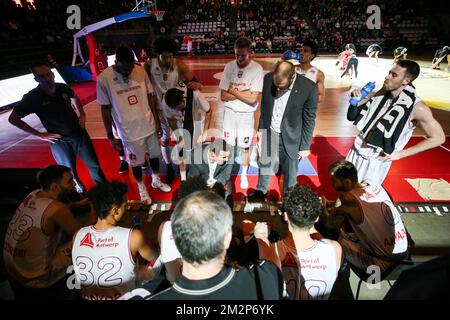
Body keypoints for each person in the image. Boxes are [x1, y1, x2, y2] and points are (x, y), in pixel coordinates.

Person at [148, 191, 284, 300]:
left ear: (177, 241)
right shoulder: (262, 281)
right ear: (227, 238)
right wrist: (261, 239)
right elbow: (273, 267)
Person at [8, 63, 107, 195]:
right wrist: (39, 134)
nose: (47, 78)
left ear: (53, 74)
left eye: (48, 74)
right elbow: (13, 118)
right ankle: (80, 198)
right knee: (68, 175)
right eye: (42, 76)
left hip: (79, 135)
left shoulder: (62, 88)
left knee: (94, 166)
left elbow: (74, 97)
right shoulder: (32, 98)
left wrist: (82, 113)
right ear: (36, 79)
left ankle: (106, 194)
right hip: (59, 142)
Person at [3, 165, 96, 299]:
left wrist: (76, 204)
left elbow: (52, 210)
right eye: (69, 181)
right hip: (35, 276)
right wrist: (94, 207)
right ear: (55, 187)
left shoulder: (33, 194)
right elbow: (82, 234)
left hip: (12, 268)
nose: (74, 183)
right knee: (85, 242)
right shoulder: (57, 209)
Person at [346, 60, 445, 184]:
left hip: (377, 159)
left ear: (406, 81)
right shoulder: (381, 94)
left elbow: (439, 138)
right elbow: (352, 117)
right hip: (357, 148)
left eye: (394, 75)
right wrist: (354, 103)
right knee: (344, 191)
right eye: (389, 73)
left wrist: (401, 154)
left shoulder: (417, 107)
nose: (387, 77)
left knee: (361, 198)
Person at [97, 46, 171, 204]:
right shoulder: (104, 78)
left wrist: (157, 122)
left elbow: (150, 97)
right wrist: (111, 136)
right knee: (136, 162)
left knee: (155, 156)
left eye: (131, 66)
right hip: (128, 131)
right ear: (116, 62)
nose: (129, 70)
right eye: (125, 67)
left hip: (148, 124)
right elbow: (105, 109)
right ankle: (141, 187)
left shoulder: (140, 70)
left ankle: (156, 180)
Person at [251, 185, 342, 300]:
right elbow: (323, 241)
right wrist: (310, 221)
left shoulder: (273, 252)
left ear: (285, 216)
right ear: (317, 218)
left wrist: (260, 237)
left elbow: (261, 242)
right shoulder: (335, 249)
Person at [72, 181, 158, 300]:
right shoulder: (133, 236)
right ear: (115, 211)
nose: (127, 208)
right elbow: (153, 256)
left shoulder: (78, 234)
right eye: (125, 205)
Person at [320, 160, 409, 273]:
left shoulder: (348, 200)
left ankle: (340, 263)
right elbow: (362, 205)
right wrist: (333, 205)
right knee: (351, 220)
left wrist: (322, 208)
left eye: (334, 180)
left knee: (327, 230)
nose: (331, 183)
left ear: (347, 182)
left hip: (380, 263)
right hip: (403, 250)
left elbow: (329, 225)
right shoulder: (372, 183)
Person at [247, 61, 318, 200]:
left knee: (291, 174)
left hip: (293, 136)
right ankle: (261, 191)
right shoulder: (268, 79)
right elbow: (265, 109)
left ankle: (288, 201)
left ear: (292, 77)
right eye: (277, 87)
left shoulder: (308, 87)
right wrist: (261, 132)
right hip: (270, 131)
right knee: (265, 164)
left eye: (282, 87)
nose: (278, 91)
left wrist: (305, 146)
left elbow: (309, 119)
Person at [144, 36, 202, 184]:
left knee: (179, 139)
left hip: (176, 110)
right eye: (165, 56)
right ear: (158, 54)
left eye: (171, 56)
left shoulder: (179, 65)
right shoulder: (149, 65)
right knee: (164, 139)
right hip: (159, 109)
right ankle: (169, 166)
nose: (169, 60)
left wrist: (196, 84)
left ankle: (183, 166)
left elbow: (195, 82)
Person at [219, 36, 264, 190]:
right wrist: (243, 92)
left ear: (250, 53)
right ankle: (225, 174)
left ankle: (244, 174)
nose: (239, 58)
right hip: (230, 113)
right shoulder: (229, 66)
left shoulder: (257, 69)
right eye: (237, 54)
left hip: (246, 115)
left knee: (245, 147)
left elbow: (253, 100)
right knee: (228, 146)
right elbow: (222, 96)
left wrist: (231, 89)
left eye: (242, 55)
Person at [163, 83, 212, 181]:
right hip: (180, 124)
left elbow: (209, 111)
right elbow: (170, 119)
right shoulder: (165, 102)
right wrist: (177, 134)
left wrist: (205, 132)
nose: (175, 110)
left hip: (195, 122)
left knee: (196, 152)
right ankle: (183, 179)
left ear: (182, 100)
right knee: (181, 151)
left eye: (177, 107)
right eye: (173, 108)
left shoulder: (195, 95)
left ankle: (200, 173)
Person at [188, 138, 235, 205]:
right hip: (203, 185)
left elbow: (226, 174)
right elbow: (194, 179)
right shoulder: (195, 156)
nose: (227, 159)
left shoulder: (229, 153)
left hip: (221, 182)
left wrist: (215, 188)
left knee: (228, 203)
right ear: (213, 154)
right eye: (224, 157)